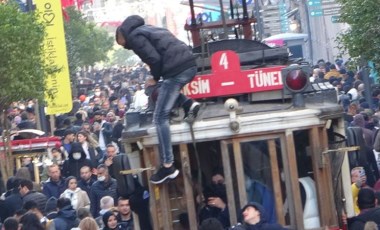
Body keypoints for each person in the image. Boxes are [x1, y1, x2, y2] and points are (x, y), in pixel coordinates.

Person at [116, 15, 200, 184]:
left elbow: (154, 59)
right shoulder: (151, 28)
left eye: (122, 44)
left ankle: (168, 165)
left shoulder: (135, 38)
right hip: (188, 64)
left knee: (160, 117)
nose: (125, 47)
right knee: (163, 90)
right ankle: (188, 103)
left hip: (176, 70)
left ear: (123, 35)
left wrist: (154, 77)